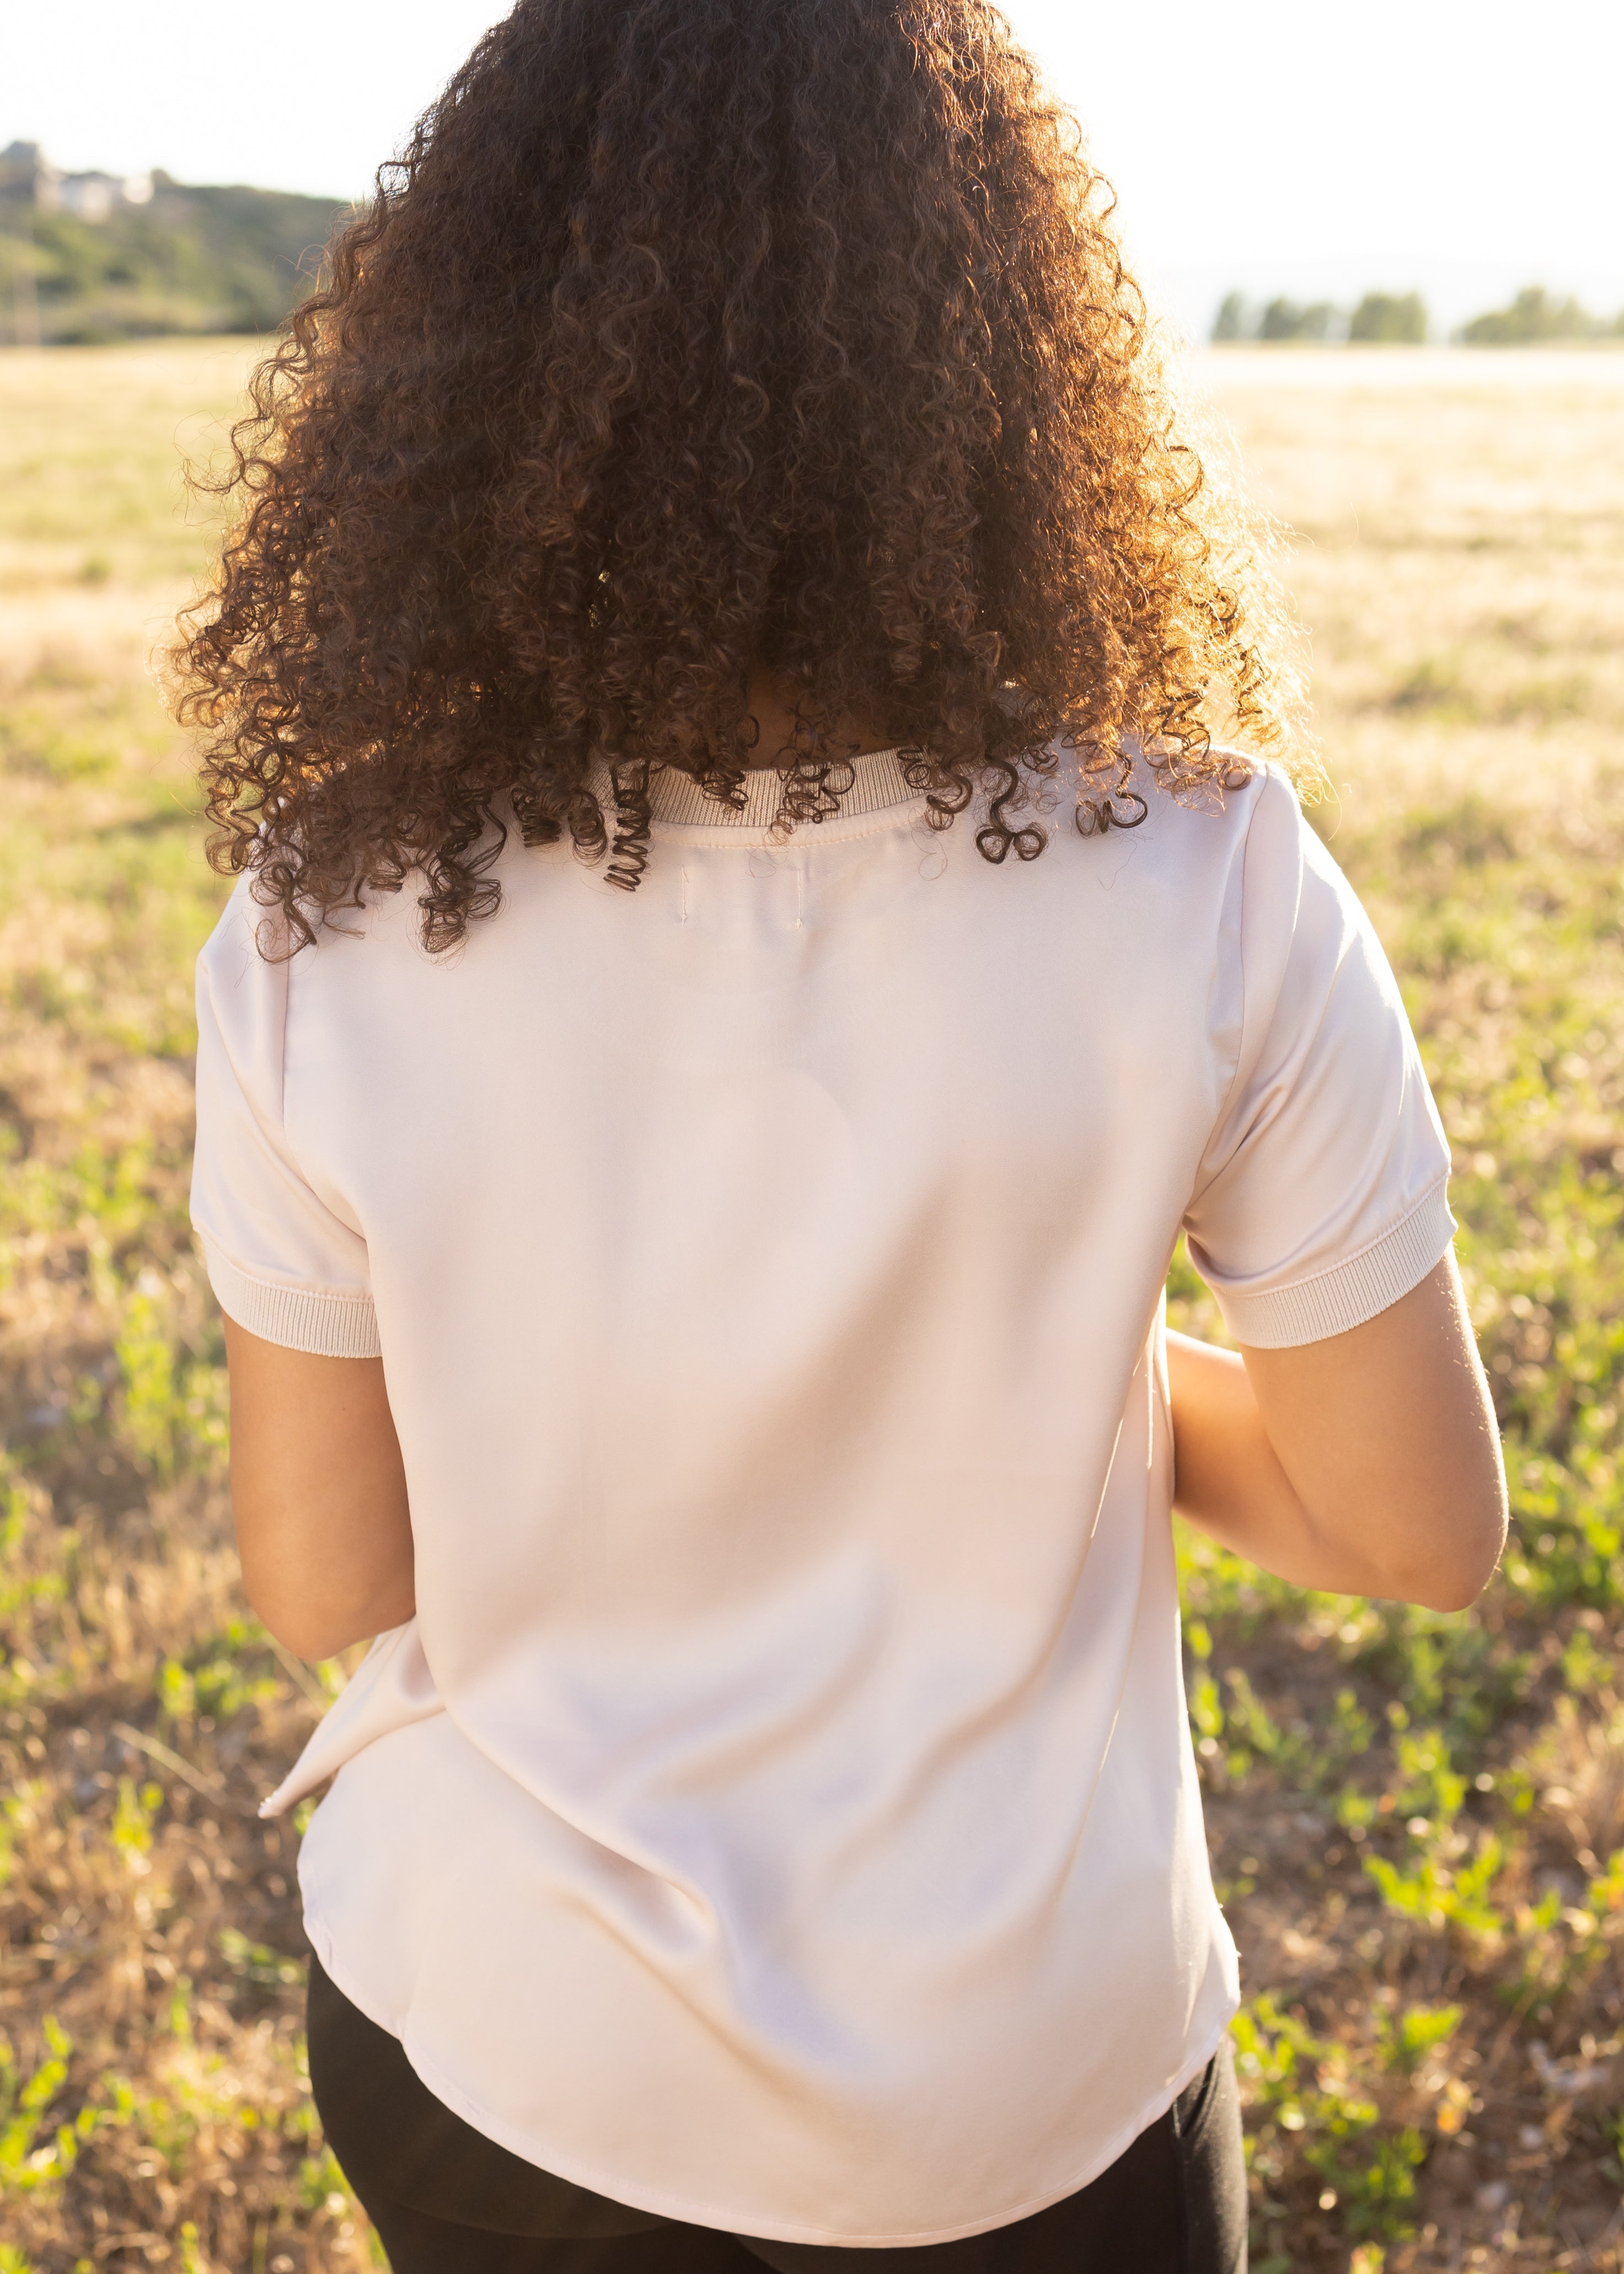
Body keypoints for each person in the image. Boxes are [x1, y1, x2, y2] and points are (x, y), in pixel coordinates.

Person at [175, 3, 1508, 2268]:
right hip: (1038, 2101)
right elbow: (1409, 1527)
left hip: (512, 2053)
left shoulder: (328, 917)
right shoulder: (1203, 874)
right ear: (1011, 349)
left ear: (476, 362)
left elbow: (328, 1583)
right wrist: (1033, 1379)